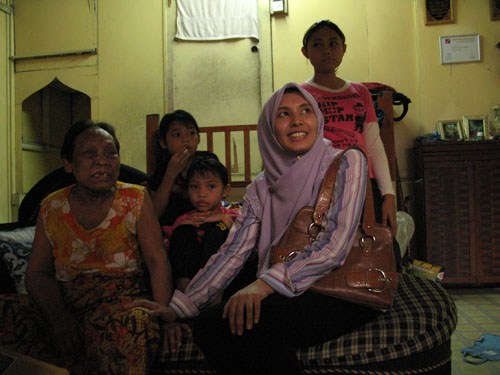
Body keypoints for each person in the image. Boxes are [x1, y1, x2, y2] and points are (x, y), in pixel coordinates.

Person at [130, 83, 379, 375]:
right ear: (269, 126)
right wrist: (180, 307)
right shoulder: (262, 185)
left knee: (247, 327)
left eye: (306, 111)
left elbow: (335, 246)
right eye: (283, 114)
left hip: (339, 288)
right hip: (285, 288)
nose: (297, 121)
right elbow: (232, 253)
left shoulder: (347, 161)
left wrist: (262, 285)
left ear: (317, 119)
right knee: (211, 325)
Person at [0, 120, 173, 374]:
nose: (102, 161)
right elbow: (37, 274)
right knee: (6, 310)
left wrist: (163, 314)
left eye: (110, 152)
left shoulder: (135, 198)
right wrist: (59, 319)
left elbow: (157, 261)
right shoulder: (52, 206)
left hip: (120, 302)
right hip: (64, 303)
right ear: (69, 163)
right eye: (89, 153)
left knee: (137, 323)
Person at [300, 20, 397, 233]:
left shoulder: (360, 92)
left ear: (344, 48)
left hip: (363, 186)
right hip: (319, 186)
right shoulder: (299, 94)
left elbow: (373, 145)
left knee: (371, 248)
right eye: (317, 44)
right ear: (305, 52)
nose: (326, 50)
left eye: (333, 43)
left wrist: (388, 195)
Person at [164, 157, 240, 292]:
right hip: (188, 279)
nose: (201, 194)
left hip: (222, 281)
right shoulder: (185, 219)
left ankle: (211, 296)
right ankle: (186, 295)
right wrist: (179, 227)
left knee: (216, 229)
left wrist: (226, 220)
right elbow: (169, 251)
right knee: (184, 230)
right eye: (194, 186)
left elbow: (245, 247)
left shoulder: (234, 216)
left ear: (225, 190)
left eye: (211, 186)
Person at [148, 109, 217, 227]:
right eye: (177, 135)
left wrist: (178, 190)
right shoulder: (163, 168)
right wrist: (170, 174)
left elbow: (213, 199)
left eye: (191, 133)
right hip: (175, 225)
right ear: (163, 143)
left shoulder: (207, 161)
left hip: (205, 220)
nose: (186, 139)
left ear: (198, 139)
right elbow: (155, 213)